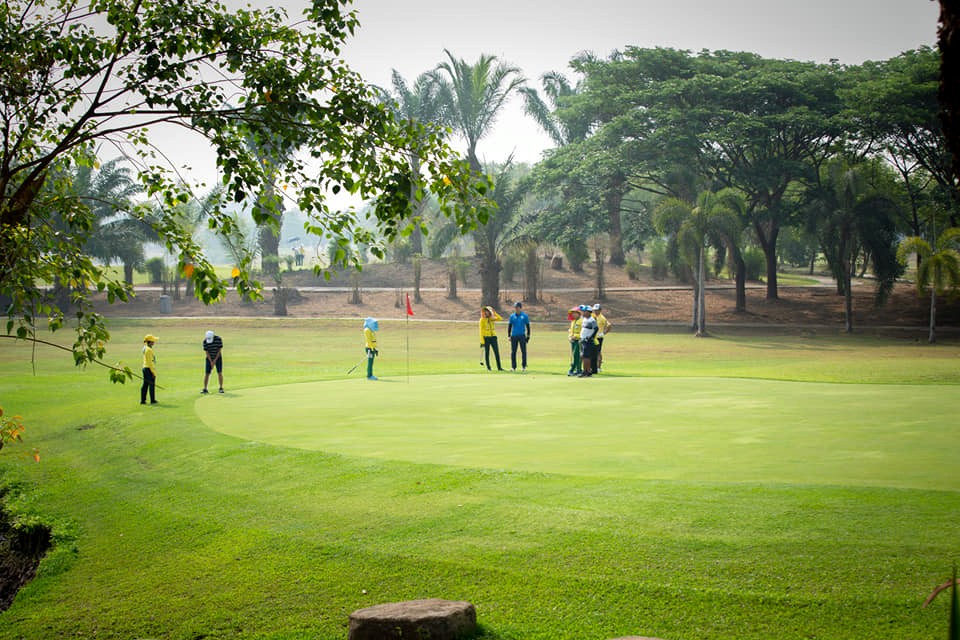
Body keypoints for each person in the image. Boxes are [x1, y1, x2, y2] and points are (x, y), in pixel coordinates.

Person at [507, 301, 531, 371]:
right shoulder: (512, 316)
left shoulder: (524, 316)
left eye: (517, 307)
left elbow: (528, 326)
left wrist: (528, 336)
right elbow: (510, 326)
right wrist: (509, 335)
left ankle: (524, 366)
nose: (516, 309)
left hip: (522, 336)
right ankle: (513, 367)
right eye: (515, 307)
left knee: (523, 351)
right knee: (513, 352)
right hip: (514, 336)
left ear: (520, 308)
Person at [479, 306, 504, 371]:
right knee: (487, 353)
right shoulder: (482, 320)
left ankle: (499, 367)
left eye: (487, 311)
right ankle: (488, 367)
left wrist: (494, 313)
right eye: (485, 311)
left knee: (496, 352)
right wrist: (482, 341)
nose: (486, 312)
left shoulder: (492, 318)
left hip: (493, 337)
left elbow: (500, 318)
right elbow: (481, 331)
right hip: (486, 338)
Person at [578, 306, 599, 378]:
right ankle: (587, 371)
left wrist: (590, 337)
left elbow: (596, 328)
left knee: (586, 357)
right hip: (583, 340)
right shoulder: (584, 319)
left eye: (584, 311)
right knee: (584, 356)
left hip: (587, 341)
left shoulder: (591, 320)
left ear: (588, 312)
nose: (583, 313)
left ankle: (586, 372)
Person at [201, 330, 224, 394]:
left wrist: (214, 361)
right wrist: (211, 361)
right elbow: (207, 352)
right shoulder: (205, 341)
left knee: (219, 372)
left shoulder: (218, 339)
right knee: (207, 373)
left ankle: (221, 388)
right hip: (209, 358)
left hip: (218, 357)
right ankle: (205, 389)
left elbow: (219, 351)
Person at [592, 303, 612, 373]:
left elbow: (609, 325)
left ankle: (598, 367)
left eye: (597, 310)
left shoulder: (602, 318)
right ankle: (593, 366)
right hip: (592, 337)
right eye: (594, 310)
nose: (595, 311)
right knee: (592, 352)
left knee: (598, 352)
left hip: (599, 337)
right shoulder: (592, 316)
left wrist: (603, 333)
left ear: (600, 310)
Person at [141, 334, 159, 404]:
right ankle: (152, 400)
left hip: (145, 368)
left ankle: (143, 400)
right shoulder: (148, 350)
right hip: (148, 369)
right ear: (150, 342)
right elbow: (150, 363)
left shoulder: (145, 348)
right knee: (151, 384)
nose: (154, 342)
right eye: (153, 341)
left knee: (145, 384)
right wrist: (153, 372)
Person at [567, 306, 583, 376]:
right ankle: (578, 370)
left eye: (575, 313)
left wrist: (576, 337)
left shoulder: (582, 321)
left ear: (579, 313)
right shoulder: (573, 321)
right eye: (572, 313)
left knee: (577, 355)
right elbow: (571, 331)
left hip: (579, 341)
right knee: (575, 355)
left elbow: (583, 332)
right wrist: (570, 337)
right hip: (573, 341)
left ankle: (573, 369)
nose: (573, 314)